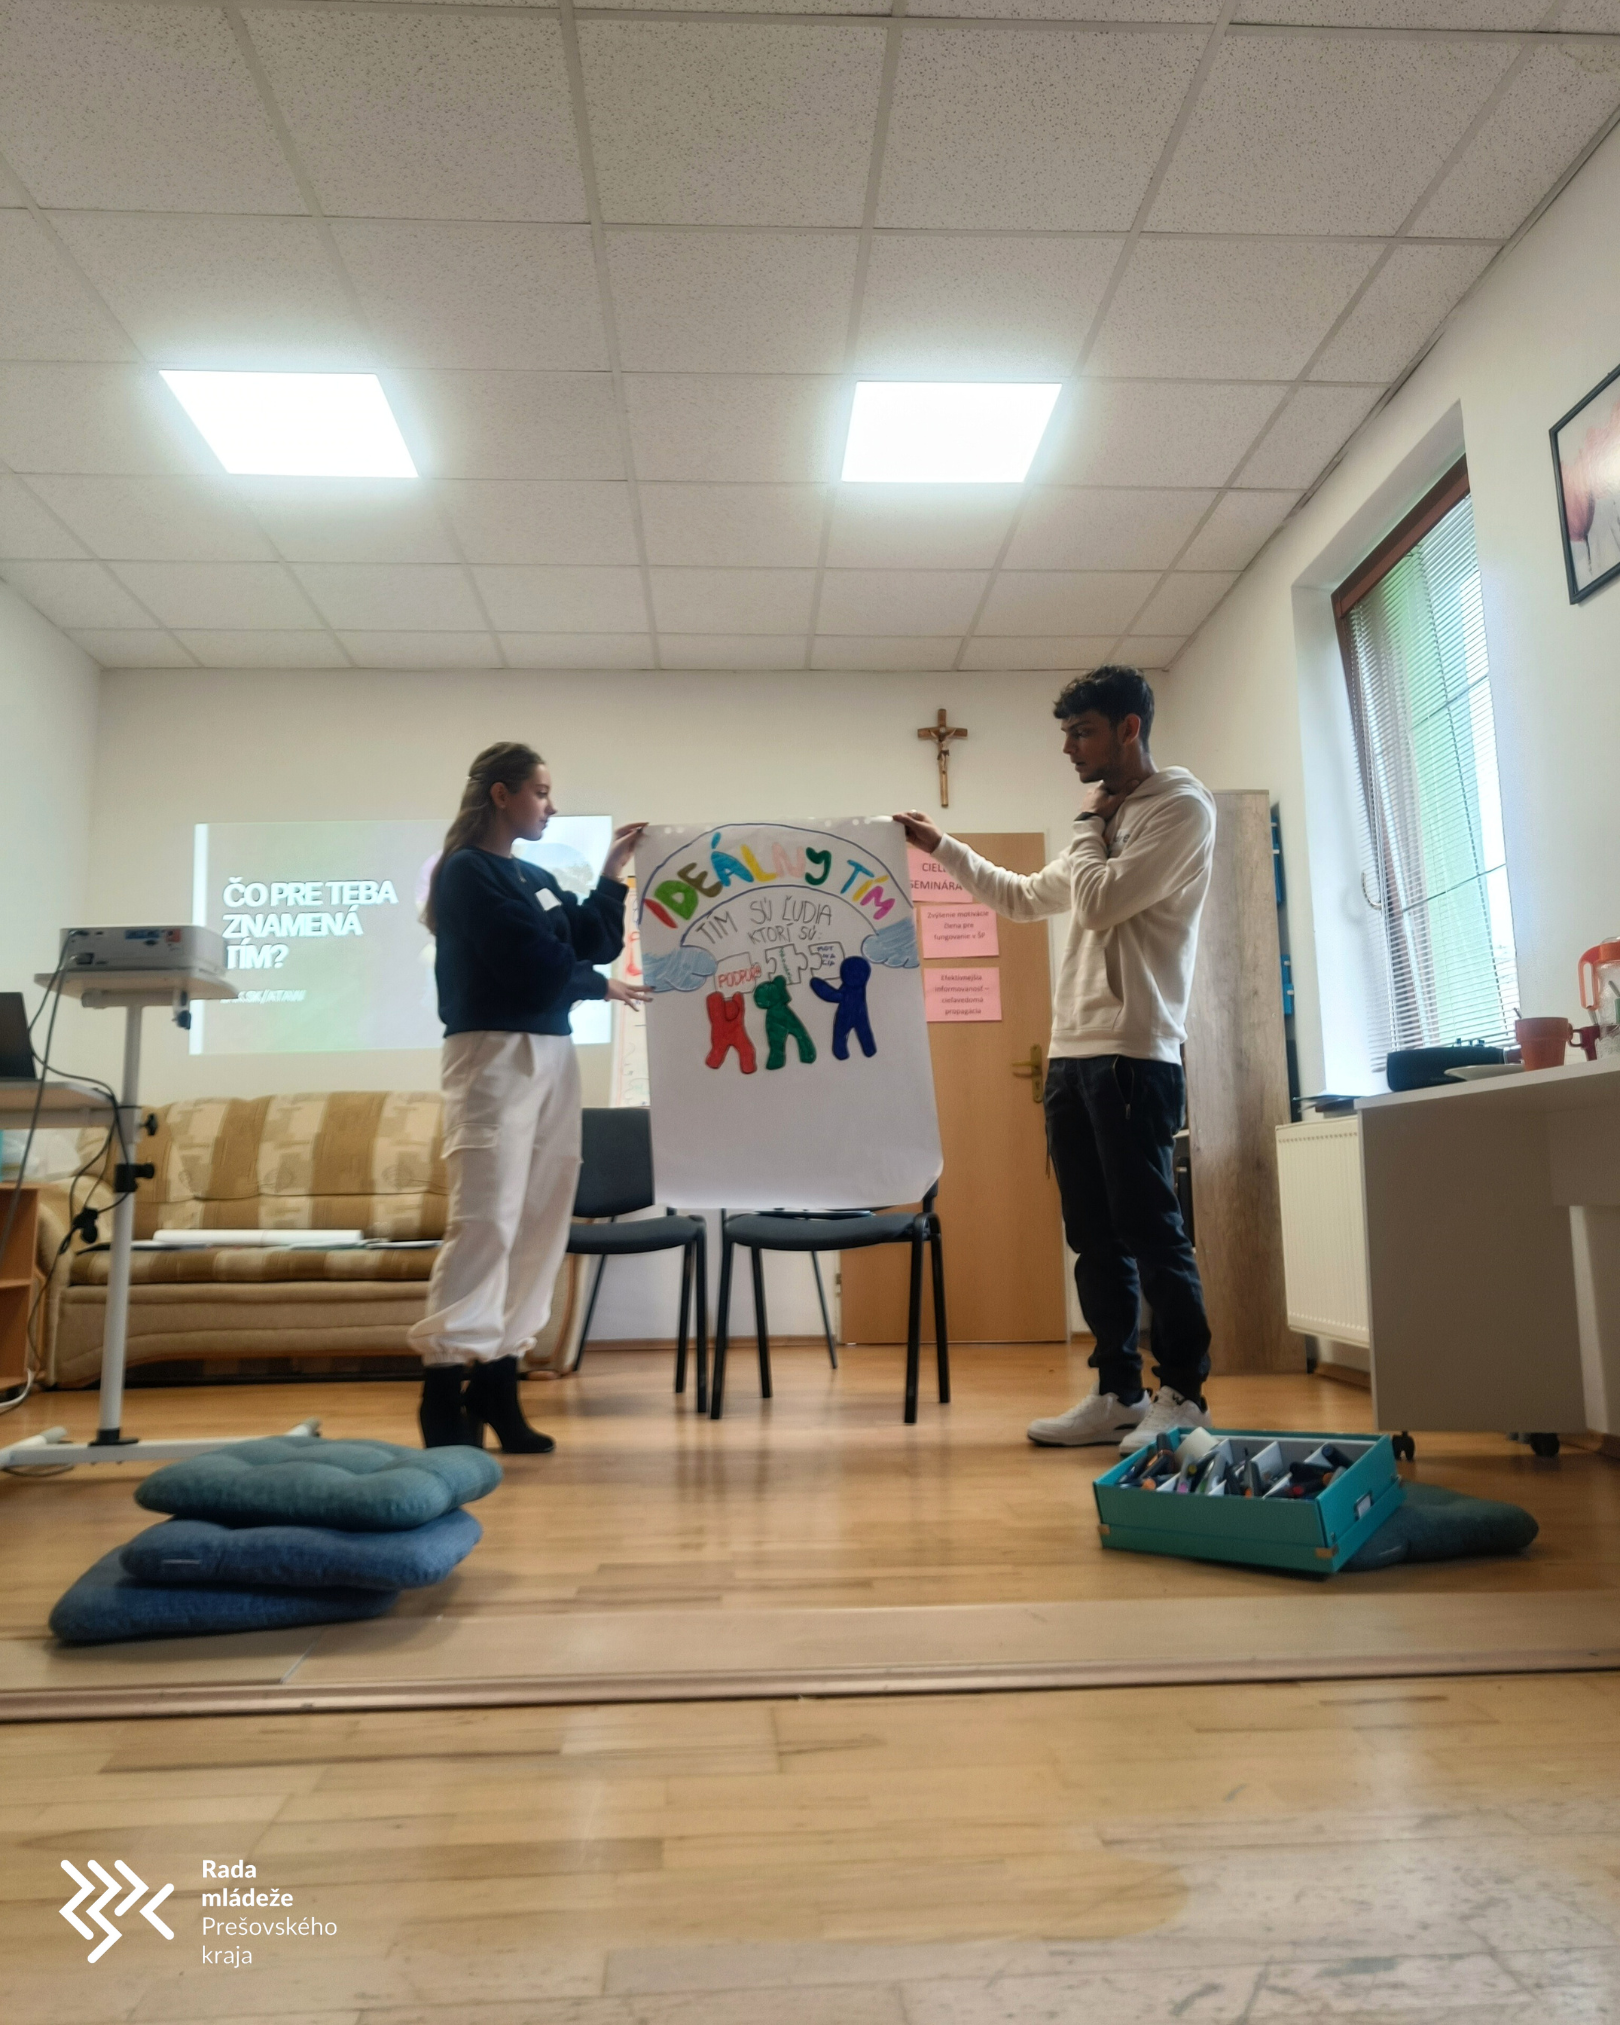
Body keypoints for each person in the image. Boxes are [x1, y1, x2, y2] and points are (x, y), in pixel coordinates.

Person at [896, 666, 1217, 1454]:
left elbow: (1100, 901)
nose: (1069, 748)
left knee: (1151, 1231)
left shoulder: (1178, 806)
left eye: (1083, 732)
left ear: (1130, 728)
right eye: (1067, 733)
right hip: (1073, 1056)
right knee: (1092, 1237)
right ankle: (1117, 1392)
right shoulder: (1102, 822)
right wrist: (942, 847)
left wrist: (1085, 825)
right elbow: (1021, 897)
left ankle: (1183, 1395)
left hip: (1133, 1053)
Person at [412, 742, 651, 1453]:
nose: (551, 806)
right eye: (541, 792)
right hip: (492, 1053)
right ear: (501, 794)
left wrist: (611, 873)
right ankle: (442, 1387)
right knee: (487, 1218)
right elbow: (531, 963)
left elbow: (592, 940)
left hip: (551, 1052)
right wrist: (596, 985)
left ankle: (498, 1381)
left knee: (543, 1215)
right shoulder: (465, 871)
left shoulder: (534, 876)